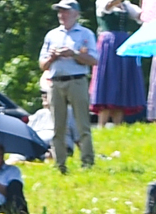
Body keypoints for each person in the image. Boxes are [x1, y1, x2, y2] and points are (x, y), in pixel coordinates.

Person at [41, 0, 99, 172]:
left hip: (77, 81)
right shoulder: (52, 35)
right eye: (60, 12)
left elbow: (94, 60)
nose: (62, 15)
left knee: (83, 125)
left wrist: (72, 54)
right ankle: (60, 164)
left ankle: (87, 162)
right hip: (56, 83)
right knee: (58, 126)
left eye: (65, 11)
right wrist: (52, 58)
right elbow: (42, 64)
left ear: (76, 14)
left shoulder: (85, 34)